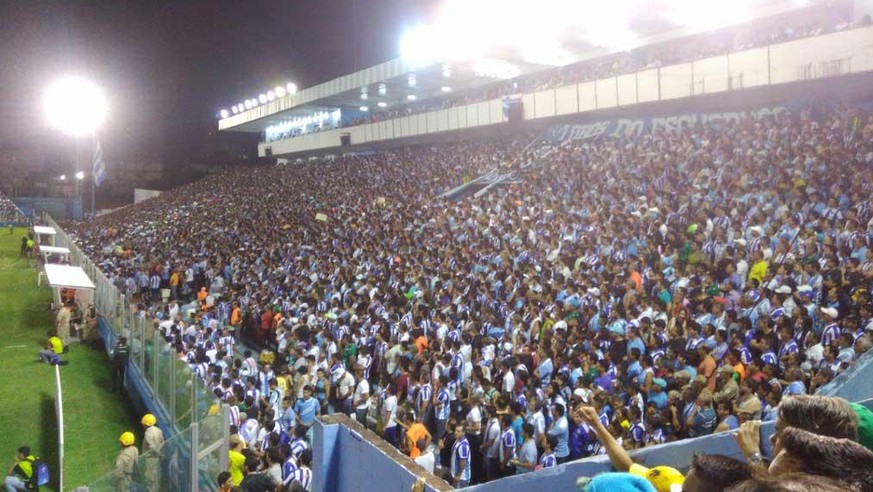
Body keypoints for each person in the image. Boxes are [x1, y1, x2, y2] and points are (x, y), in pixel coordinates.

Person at [141, 413, 164, 491]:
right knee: (157, 476)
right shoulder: (158, 430)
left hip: (151, 457)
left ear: (146, 424)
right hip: (158, 457)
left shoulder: (148, 432)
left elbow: (151, 446)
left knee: (150, 477)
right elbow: (162, 442)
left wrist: (157, 453)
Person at [450, 423, 471, 488]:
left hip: (462, 478)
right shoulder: (457, 441)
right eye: (455, 431)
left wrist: (459, 475)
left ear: (463, 433)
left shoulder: (463, 446)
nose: (455, 433)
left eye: (458, 431)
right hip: (456, 474)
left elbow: (463, 462)